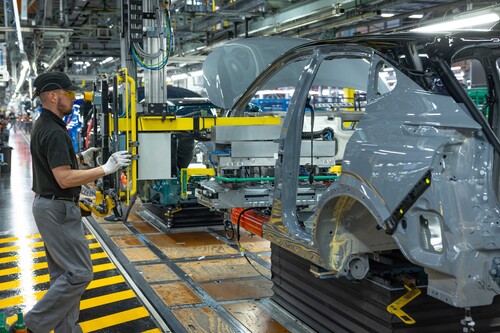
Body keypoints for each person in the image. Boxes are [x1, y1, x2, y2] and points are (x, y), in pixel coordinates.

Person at [23, 71, 131, 333]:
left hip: (49, 206)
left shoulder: (46, 124)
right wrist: (106, 169)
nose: (73, 98)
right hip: (57, 209)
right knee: (80, 273)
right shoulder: (54, 131)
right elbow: (64, 178)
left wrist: (81, 157)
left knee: (63, 276)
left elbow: (55, 166)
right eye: (68, 94)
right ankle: (32, 324)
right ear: (52, 96)